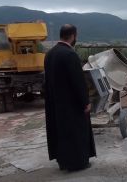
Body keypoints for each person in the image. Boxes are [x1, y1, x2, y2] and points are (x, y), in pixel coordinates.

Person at [44, 24, 96, 171]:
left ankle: (63, 162)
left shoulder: (49, 54)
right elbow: (78, 82)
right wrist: (85, 102)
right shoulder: (70, 54)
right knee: (76, 133)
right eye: (76, 36)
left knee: (60, 132)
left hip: (55, 104)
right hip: (71, 105)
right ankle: (78, 163)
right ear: (73, 36)